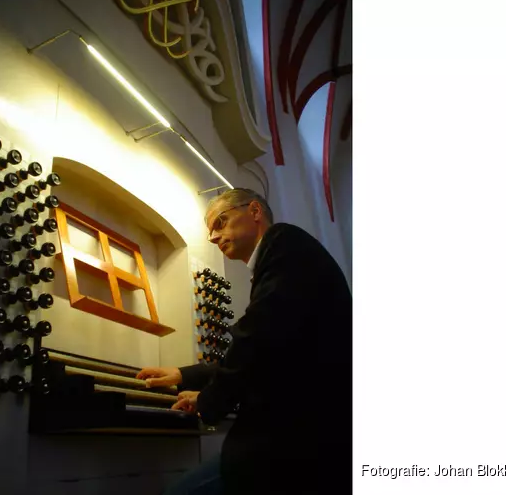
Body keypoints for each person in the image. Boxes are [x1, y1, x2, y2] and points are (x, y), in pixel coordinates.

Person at [136, 188, 352, 494]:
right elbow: (266, 346)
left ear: (254, 211)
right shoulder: (285, 255)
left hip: (298, 440)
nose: (212, 237)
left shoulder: (283, 243)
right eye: (211, 231)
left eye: (220, 222)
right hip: (308, 433)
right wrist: (185, 375)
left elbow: (256, 340)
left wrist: (210, 400)